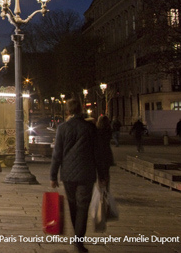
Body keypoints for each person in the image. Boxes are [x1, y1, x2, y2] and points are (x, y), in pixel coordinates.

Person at [50, 99, 108, 253]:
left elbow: (57, 154)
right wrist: (102, 175)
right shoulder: (90, 128)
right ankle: (78, 241)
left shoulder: (62, 128)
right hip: (86, 173)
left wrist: (53, 176)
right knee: (83, 206)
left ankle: (77, 236)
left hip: (68, 174)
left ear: (68, 111)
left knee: (73, 205)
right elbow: (98, 153)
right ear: (81, 109)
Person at [96, 115, 114, 189]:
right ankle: (106, 188)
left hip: (98, 153)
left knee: (100, 173)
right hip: (107, 152)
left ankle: (101, 189)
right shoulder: (108, 130)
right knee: (106, 172)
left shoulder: (97, 131)